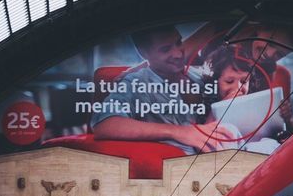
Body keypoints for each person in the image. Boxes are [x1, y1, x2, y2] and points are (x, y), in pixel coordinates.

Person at [91, 25, 221, 154]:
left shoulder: (200, 76)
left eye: (178, 42)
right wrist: (177, 132)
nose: (178, 54)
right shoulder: (135, 83)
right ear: (143, 53)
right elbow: (104, 124)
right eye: (165, 49)